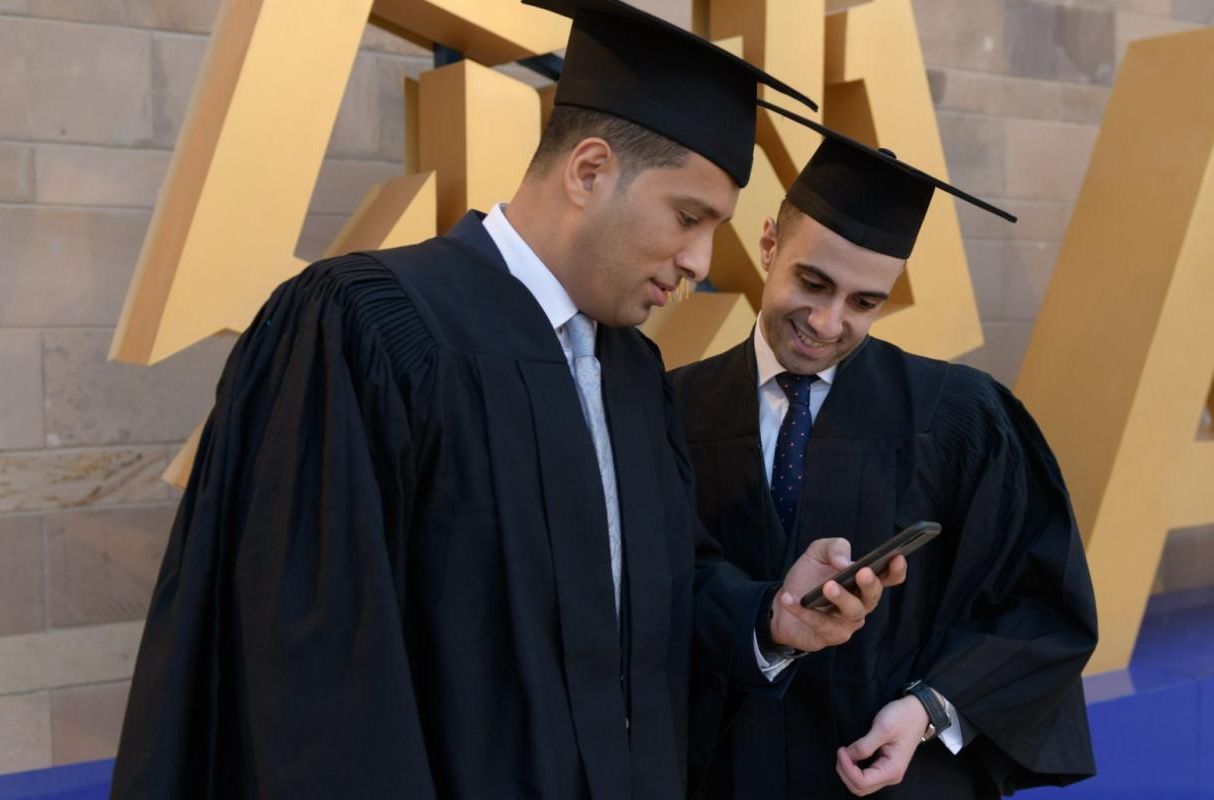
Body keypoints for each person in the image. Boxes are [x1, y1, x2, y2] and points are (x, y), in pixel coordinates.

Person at [110, 5, 905, 798]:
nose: (700, 259)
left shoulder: (631, 371)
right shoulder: (366, 328)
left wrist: (772, 618)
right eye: (687, 217)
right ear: (588, 171)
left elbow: (658, 590)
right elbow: (311, 671)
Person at [669, 102, 1098, 799]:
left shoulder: (960, 419)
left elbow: (1042, 606)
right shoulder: (670, 410)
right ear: (770, 242)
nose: (828, 322)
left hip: (896, 784)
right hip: (715, 777)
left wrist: (929, 710)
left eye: (865, 302)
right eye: (813, 283)